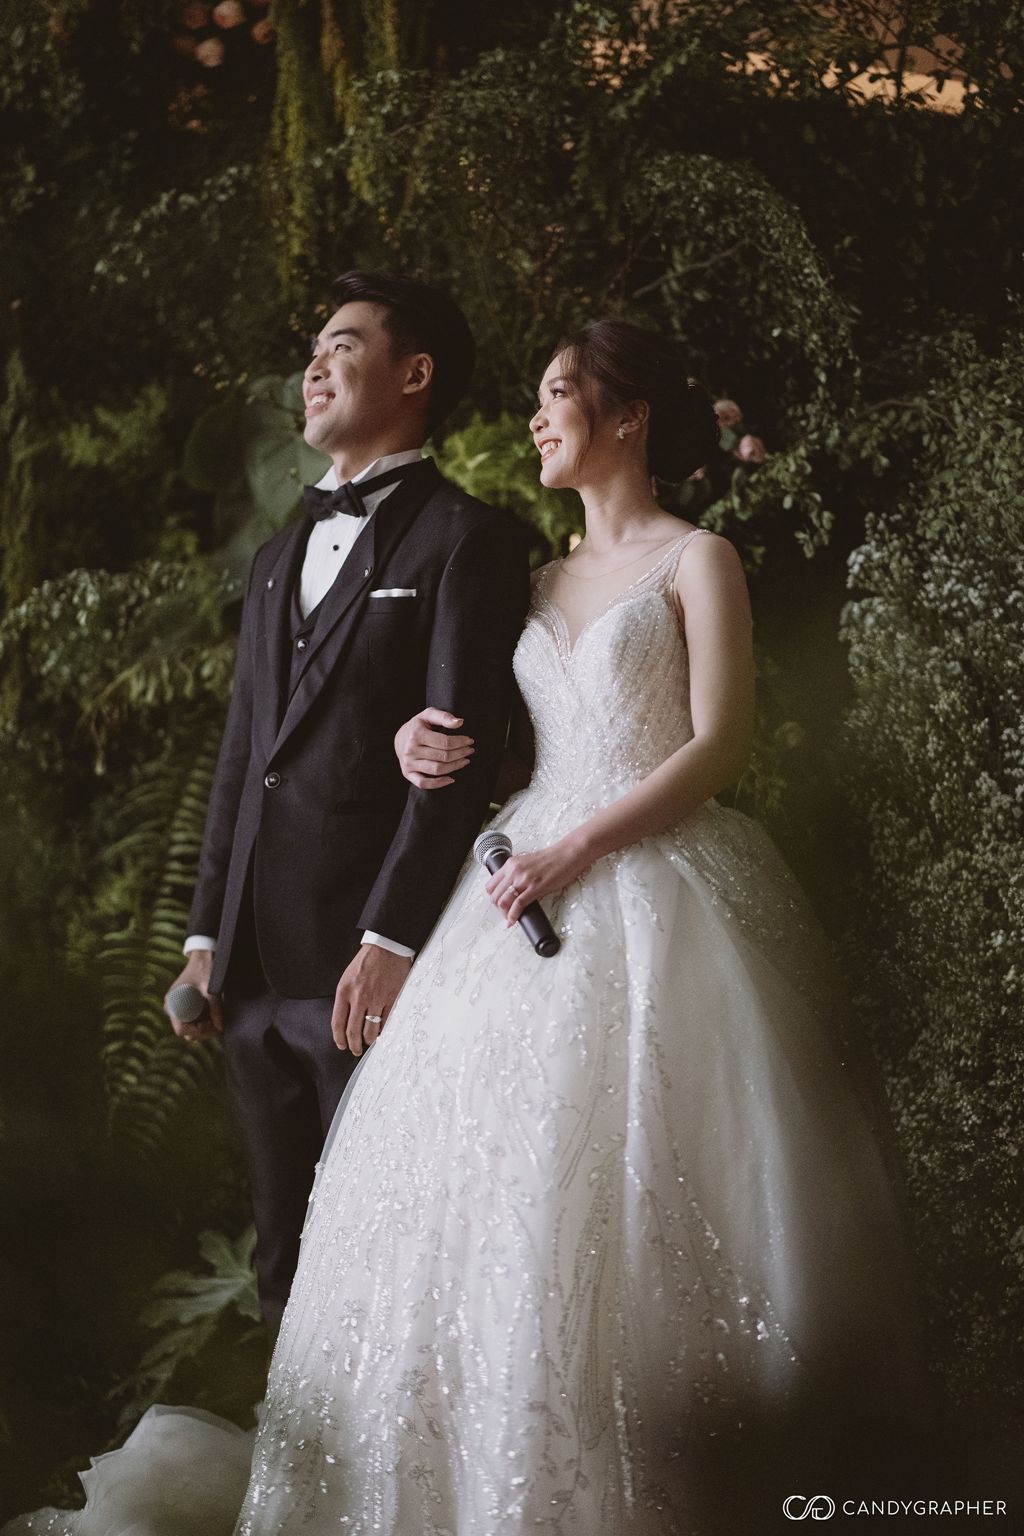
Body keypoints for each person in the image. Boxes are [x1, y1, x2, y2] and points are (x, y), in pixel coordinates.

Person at [3, 319, 925, 1536]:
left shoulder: (698, 559)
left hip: (647, 878)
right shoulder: (534, 582)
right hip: (517, 879)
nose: (538, 416)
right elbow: (495, 750)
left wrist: (578, 846)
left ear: (629, 414)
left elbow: (717, 746)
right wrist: (414, 746)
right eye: (537, 396)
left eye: (559, 394)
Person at [164, 269, 530, 1336]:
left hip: (365, 975)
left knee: (377, 1249)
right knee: (281, 1254)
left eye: (343, 344)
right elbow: (245, 755)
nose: (314, 366)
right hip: (249, 978)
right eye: (313, 350)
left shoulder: (466, 538)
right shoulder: (275, 558)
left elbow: (459, 761)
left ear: (414, 375)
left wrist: (390, 939)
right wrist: (204, 938)